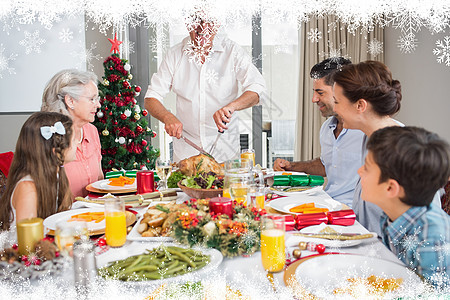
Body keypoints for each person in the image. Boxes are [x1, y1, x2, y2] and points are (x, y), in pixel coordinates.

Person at [144, 13, 266, 162]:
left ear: (217, 24)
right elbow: (151, 98)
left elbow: (258, 88)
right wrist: (167, 116)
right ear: (188, 22)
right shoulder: (175, 55)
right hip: (186, 155)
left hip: (225, 155)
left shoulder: (232, 52)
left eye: (209, 21)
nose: (203, 26)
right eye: (197, 20)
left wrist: (232, 106)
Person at [359, 126, 450, 289]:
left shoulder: (432, 238)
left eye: (366, 168)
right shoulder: (393, 215)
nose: (359, 172)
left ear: (390, 188)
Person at [273, 58, 364, 207]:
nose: (314, 99)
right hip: (327, 201)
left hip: (352, 211)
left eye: (320, 92)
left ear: (340, 90)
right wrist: (291, 166)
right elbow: (326, 165)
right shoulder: (328, 127)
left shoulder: (368, 131)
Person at [0, 112, 75, 233]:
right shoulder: (28, 189)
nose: (77, 143)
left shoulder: (57, 173)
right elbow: (27, 247)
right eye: (74, 140)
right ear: (55, 151)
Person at [41, 69, 103, 198]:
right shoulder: (50, 136)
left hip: (93, 214)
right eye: (92, 99)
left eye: (97, 99)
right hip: (61, 215)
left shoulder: (91, 131)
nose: (98, 105)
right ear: (70, 101)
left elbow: (99, 180)